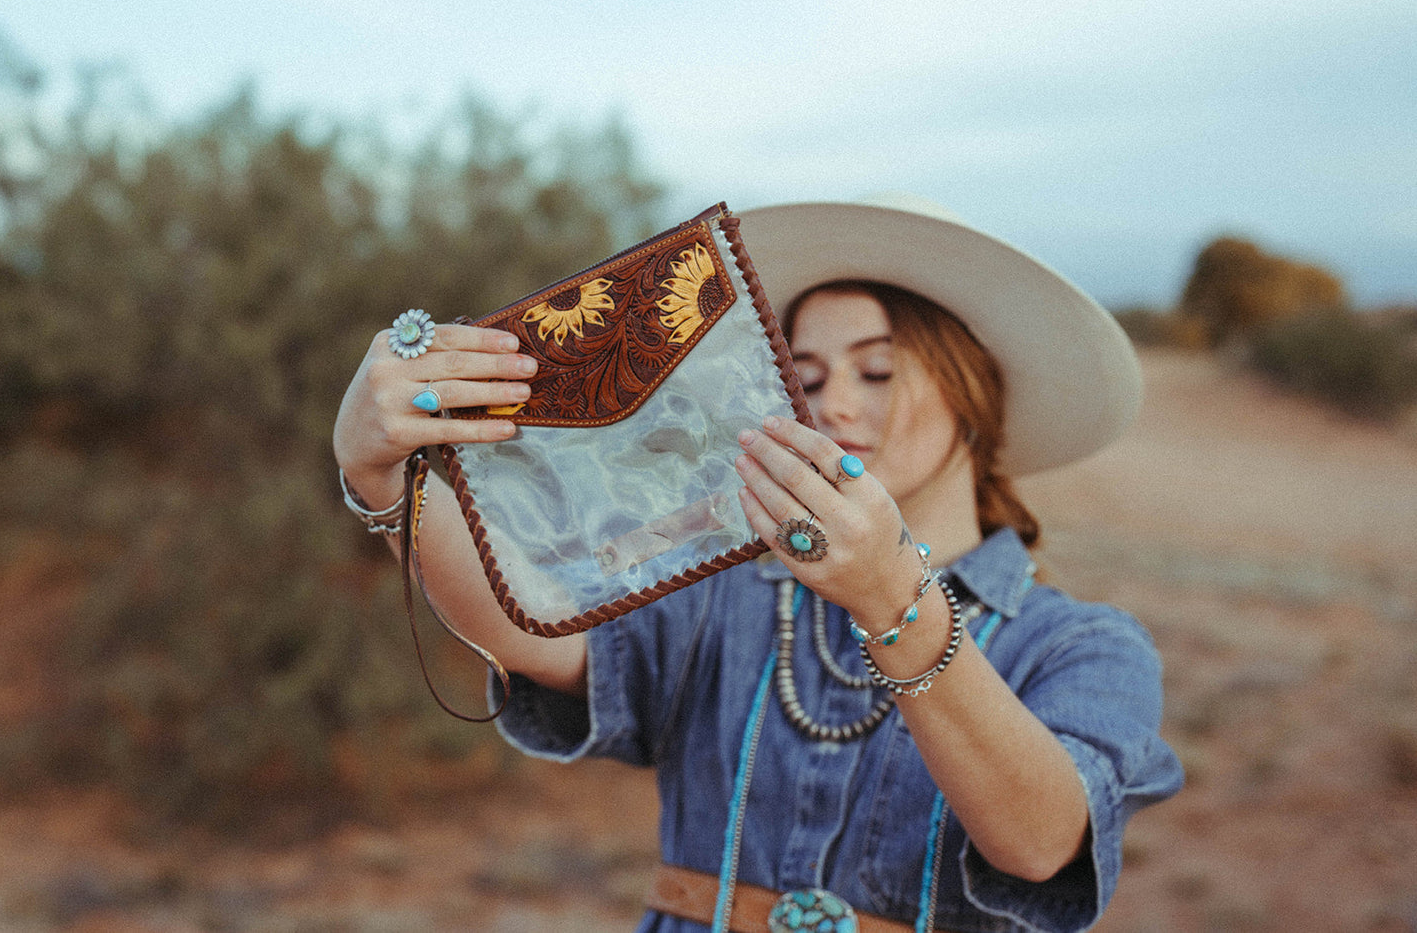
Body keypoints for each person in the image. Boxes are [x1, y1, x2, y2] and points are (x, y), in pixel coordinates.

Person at [332, 193, 1183, 933]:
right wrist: (380, 475)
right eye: (802, 376)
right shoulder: (718, 596)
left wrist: (893, 592)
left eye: (878, 370)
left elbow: (1039, 845)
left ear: (974, 391)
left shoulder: (1086, 647)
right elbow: (531, 617)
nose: (835, 405)